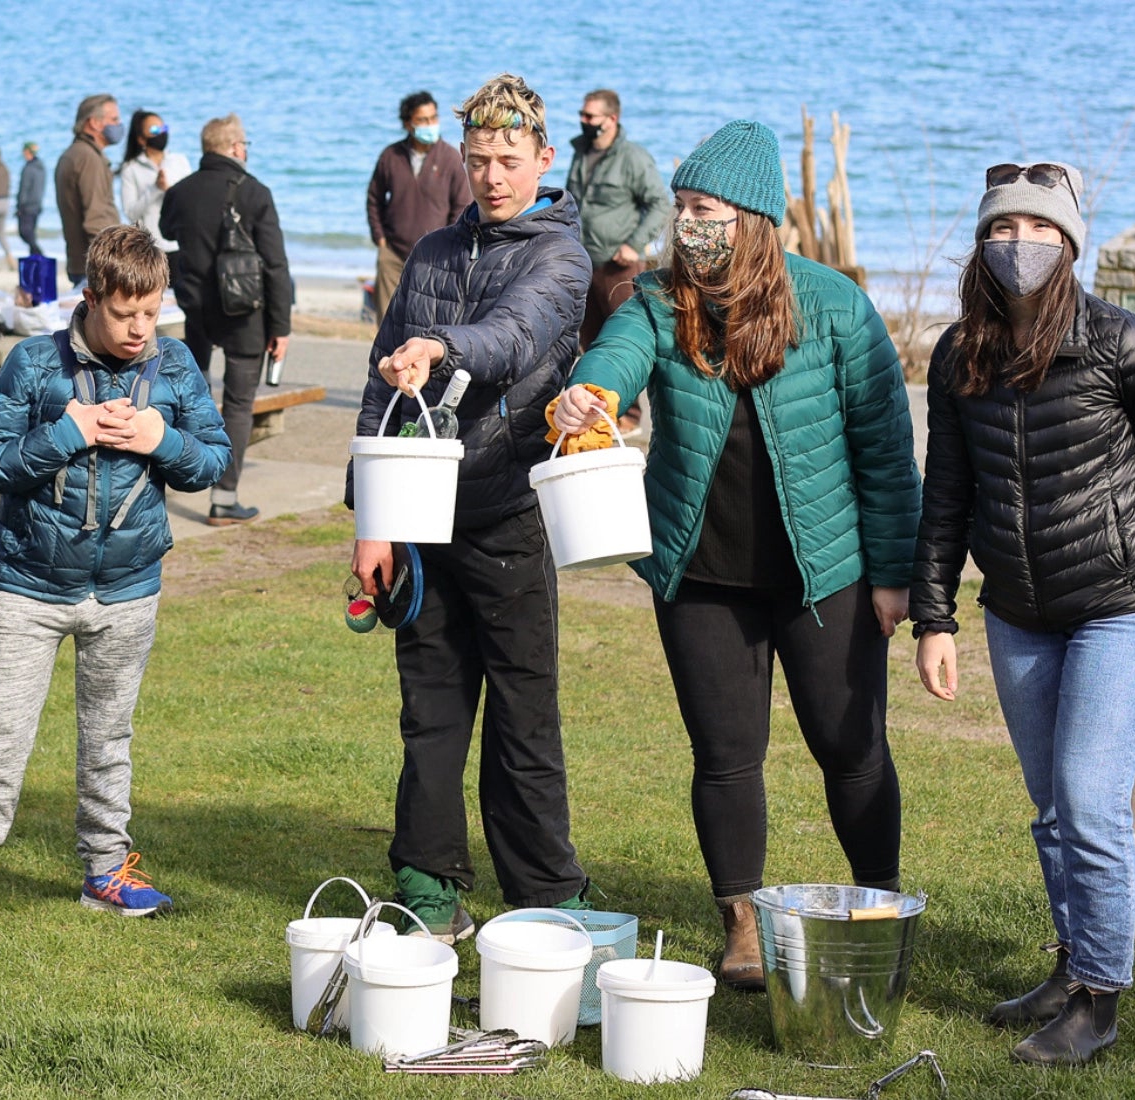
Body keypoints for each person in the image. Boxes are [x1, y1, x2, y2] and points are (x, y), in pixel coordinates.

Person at [553, 120, 920, 990]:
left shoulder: (835, 305)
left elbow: (886, 452)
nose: (685, 224)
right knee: (724, 755)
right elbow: (615, 355)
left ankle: (880, 903)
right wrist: (589, 393)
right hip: (702, 573)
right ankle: (742, 924)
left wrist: (894, 574)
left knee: (851, 747)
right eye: (680, 207)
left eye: (703, 210)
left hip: (826, 571)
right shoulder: (658, 302)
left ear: (751, 219)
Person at [911, 161, 1135, 1067]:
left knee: (1089, 800)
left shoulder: (1124, 344)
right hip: (1018, 610)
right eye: (1005, 229)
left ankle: (1098, 1001)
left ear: (1071, 245)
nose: (1023, 245)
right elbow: (947, 496)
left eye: (1043, 230)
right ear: (982, 244)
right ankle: (1069, 966)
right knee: (1053, 808)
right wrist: (934, 617)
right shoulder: (958, 356)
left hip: (1126, 605)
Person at [0, 225, 231, 934]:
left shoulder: (177, 364)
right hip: (28, 588)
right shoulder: (34, 361)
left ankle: (106, 871)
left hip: (129, 590)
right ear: (90, 299)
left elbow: (213, 461)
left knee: (108, 739)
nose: (140, 329)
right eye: (125, 314)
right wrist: (70, 431)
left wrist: (161, 440)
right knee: (0, 736)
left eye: (151, 313)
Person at [350, 75, 593, 941]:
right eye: (480, 159)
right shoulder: (429, 254)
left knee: (524, 713)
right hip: (418, 520)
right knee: (431, 711)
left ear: (544, 159)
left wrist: (439, 344)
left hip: (509, 512)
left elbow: (513, 339)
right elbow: (377, 387)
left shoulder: (561, 258)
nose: (493, 177)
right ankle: (427, 881)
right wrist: (370, 519)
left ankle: (545, 891)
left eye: (509, 160)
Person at [160, 113, 291, 526]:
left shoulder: (180, 192)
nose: (246, 150)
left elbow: (167, 230)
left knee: (191, 398)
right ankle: (224, 500)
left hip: (196, 309)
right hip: (245, 313)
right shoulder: (255, 193)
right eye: (245, 144)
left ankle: (177, 477)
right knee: (237, 405)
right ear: (235, 148)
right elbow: (275, 265)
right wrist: (281, 326)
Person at [564, 90, 669, 351]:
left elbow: (660, 204)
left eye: (590, 116)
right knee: (590, 344)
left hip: (618, 267)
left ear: (611, 119)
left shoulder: (633, 157)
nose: (583, 121)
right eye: (582, 114)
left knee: (626, 342)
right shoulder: (581, 152)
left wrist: (634, 245)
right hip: (583, 265)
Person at [364, 90, 471, 325]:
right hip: (392, 255)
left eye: (433, 118)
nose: (430, 124)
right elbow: (374, 198)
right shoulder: (391, 156)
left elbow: (461, 206)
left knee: (426, 323)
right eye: (423, 120)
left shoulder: (451, 158)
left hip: (434, 256)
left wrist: (447, 245)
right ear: (408, 124)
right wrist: (380, 239)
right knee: (387, 324)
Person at [56, 94, 122, 289]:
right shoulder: (88, 158)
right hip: (95, 267)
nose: (119, 125)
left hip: (80, 262)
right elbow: (96, 220)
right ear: (94, 123)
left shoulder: (74, 153)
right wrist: (111, 266)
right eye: (114, 120)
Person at [116, 109, 190, 252]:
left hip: (179, 244)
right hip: (149, 248)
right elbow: (131, 213)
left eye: (164, 128)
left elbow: (189, 202)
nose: (161, 133)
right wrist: (155, 189)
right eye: (155, 130)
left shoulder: (179, 161)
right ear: (141, 139)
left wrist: (168, 190)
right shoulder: (131, 169)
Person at [16, 141, 46, 257]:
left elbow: (24, 188)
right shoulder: (41, 168)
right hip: (37, 205)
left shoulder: (28, 168)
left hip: (27, 207)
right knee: (31, 233)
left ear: (27, 152)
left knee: (24, 233)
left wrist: (20, 205)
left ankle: (39, 254)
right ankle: (34, 257)